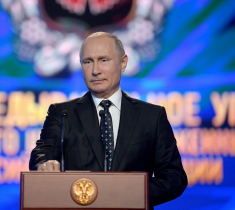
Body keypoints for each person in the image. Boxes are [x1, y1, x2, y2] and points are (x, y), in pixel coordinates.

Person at [29, 32, 187, 209]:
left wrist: (129, 193)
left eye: (104, 60)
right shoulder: (62, 113)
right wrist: (44, 164)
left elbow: (174, 177)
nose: (95, 70)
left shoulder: (152, 116)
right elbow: (41, 154)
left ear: (123, 63)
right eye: (88, 62)